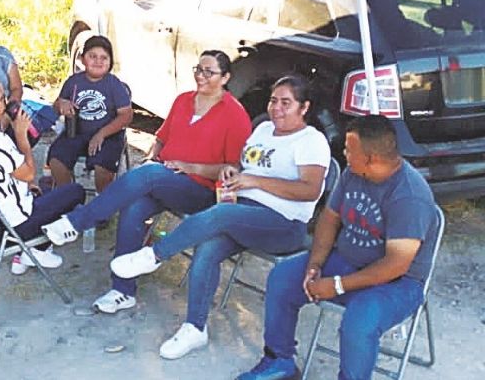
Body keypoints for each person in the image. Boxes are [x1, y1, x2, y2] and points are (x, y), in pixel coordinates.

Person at [107, 75, 331, 361]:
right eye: (274, 100)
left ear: (304, 107)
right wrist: (232, 172)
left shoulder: (311, 141)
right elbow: (245, 164)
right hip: (243, 210)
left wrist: (255, 182)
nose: (277, 108)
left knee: (221, 215)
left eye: (286, 103)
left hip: (283, 224)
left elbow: (309, 190)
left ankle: (154, 255)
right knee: (208, 248)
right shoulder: (263, 129)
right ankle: (195, 328)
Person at [42, 50, 252, 313]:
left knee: (149, 175)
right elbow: (162, 138)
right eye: (198, 69)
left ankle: (78, 221)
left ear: (225, 78)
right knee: (135, 205)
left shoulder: (234, 113)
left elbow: (233, 168)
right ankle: (122, 290)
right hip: (165, 177)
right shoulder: (183, 100)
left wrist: (190, 167)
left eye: (209, 72)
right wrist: (153, 156)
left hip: (201, 188)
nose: (201, 76)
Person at [235, 115, 439, 380]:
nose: (343, 153)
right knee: (282, 278)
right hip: (346, 260)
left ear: (371, 158)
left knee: (359, 322)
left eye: (348, 150)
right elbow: (330, 219)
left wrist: (337, 285)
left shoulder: (409, 196)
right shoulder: (353, 173)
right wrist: (315, 266)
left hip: (397, 283)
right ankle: (279, 361)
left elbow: (395, 265)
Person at [0, 74, 85, 275]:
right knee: (75, 192)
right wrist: (21, 137)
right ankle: (35, 248)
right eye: (1, 99)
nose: (7, 103)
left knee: (44, 187)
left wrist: (26, 186)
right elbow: (29, 173)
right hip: (12, 225)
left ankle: (32, 250)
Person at [48, 35, 133, 193]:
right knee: (56, 160)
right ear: (82, 59)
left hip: (108, 135)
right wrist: (61, 104)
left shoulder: (114, 84)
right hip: (77, 131)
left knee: (103, 166)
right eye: (92, 56)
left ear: (110, 61)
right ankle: (66, 200)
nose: (98, 61)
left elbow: (126, 115)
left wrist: (102, 134)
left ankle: (102, 206)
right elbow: (55, 107)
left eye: (104, 58)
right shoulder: (73, 82)